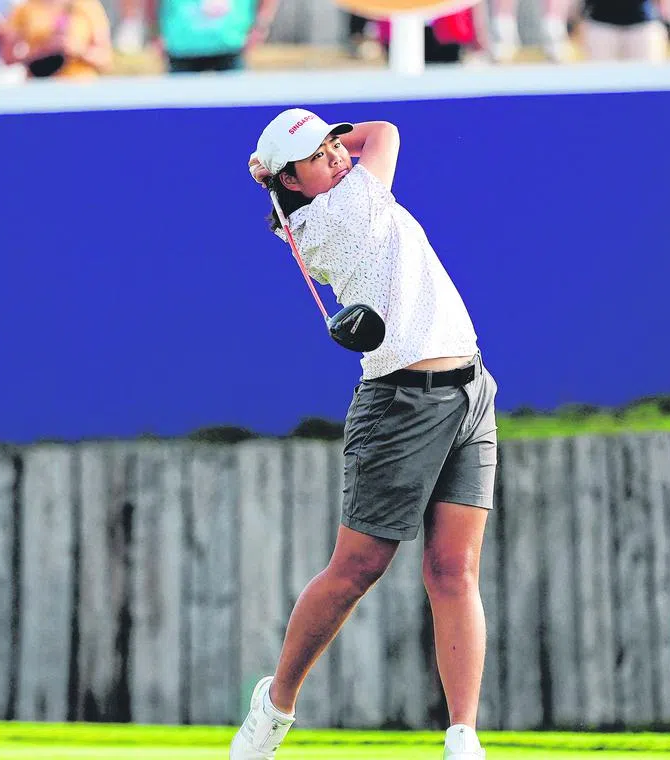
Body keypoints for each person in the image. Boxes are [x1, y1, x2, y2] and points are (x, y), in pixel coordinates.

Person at [234, 109, 499, 760]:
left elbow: (359, 147)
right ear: (294, 184)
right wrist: (325, 143)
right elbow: (385, 132)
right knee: (356, 570)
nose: (335, 155)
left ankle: (463, 736)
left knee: (454, 570)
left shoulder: (330, 193)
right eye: (318, 155)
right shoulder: (337, 212)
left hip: (470, 391)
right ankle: (275, 706)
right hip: (401, 406)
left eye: (331, 143)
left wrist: (285, 162)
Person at [143, 0, 279, 74]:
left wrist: (261, 26)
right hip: (183, 46)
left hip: (231, 44)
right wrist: (154, 32)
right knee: (180, 115)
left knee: (237, 113)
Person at [0, 0, 112, 79]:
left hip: (81, 92)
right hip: (39, 92)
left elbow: (105, 57)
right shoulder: (25, 8)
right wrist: (42, 51)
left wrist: (76, 50)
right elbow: (8, 57)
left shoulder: (88, 5)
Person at [580, 0, 670, 61]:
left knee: (646, 79)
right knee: (601, 78)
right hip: (600, 24)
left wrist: (668, 18)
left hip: (643, 25)